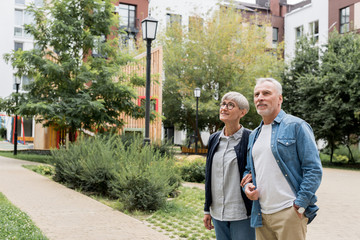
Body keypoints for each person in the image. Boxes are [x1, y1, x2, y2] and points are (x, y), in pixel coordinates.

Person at [241, 78, 322, 240]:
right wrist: (247, 185)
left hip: (288, 212)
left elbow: (313, 169)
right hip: (261, 214)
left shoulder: (296, 126)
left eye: (266, 93)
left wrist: (300, 205)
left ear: (280, 99)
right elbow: (249, 169)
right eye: (256, 94)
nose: (260, 97)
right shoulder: (254, 135)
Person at [203, 92, 255, 240]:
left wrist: (254, 174)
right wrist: (207, 209)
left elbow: (260, 166)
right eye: (223, 104)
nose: (224, 108)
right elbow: (209, 176)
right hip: (218, 212)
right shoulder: (214, 139)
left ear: (242, 112)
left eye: (230, 105)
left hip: (242, 212)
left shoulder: (250, 138)